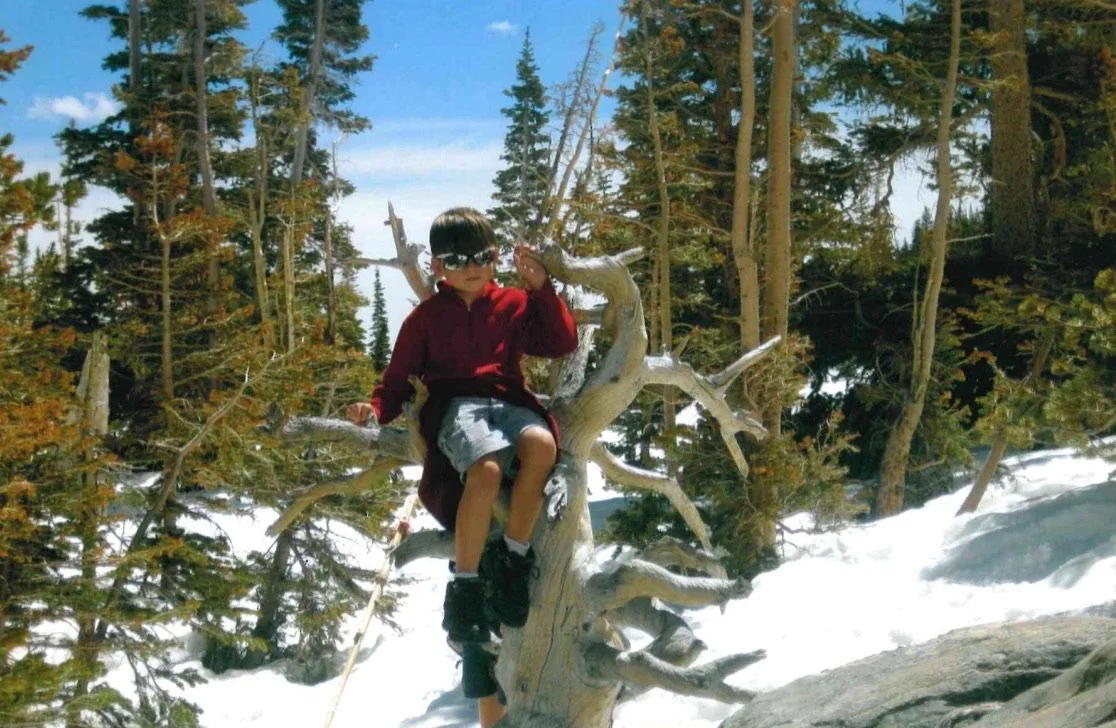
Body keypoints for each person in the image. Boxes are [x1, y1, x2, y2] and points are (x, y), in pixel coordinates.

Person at [347, 207, 578, 725]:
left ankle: (513, 558)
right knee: (486, 470)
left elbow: (560, 341)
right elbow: (397, 378)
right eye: (457, 260)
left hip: (510, 403)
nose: (472, 268)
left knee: (542, 445)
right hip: (459, 409)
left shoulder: (512, 303)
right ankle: (467, 585)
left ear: (496, 258)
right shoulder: (426, 318)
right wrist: (376, 410)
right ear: (437, 266)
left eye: (483, 256)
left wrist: (541, 289)